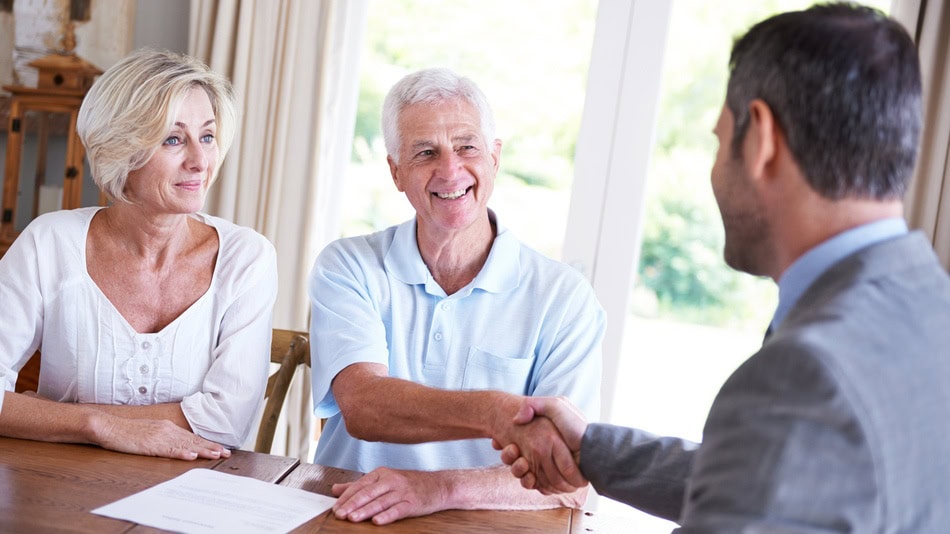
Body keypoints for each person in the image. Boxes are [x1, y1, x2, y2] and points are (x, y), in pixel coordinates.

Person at [499, 3, 950, 532]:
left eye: (718, 141)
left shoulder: (805, 375)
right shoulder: (927, 305)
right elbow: (776, 485)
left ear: (760, 139)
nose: (715, 169)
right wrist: (592, 448)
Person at [308, 67, 605, 525]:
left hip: (487, 522)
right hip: (350, 513)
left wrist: (440, 488)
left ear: (494, 158)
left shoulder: (564, 298)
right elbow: (364, 406)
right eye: (426, 152)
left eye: (466, 146)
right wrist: (497, 412)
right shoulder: (349, 264)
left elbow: (569, 477)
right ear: (396, 171)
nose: (450, 169)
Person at [0, 49, 277, 460]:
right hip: (55, 491)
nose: (200, 161)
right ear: (120, 150)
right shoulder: (49, 242)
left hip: (193, 497)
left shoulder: (247, 257)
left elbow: (226, 422)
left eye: (207, 136)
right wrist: (99, 427)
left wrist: (50, 415)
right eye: (173, 139)